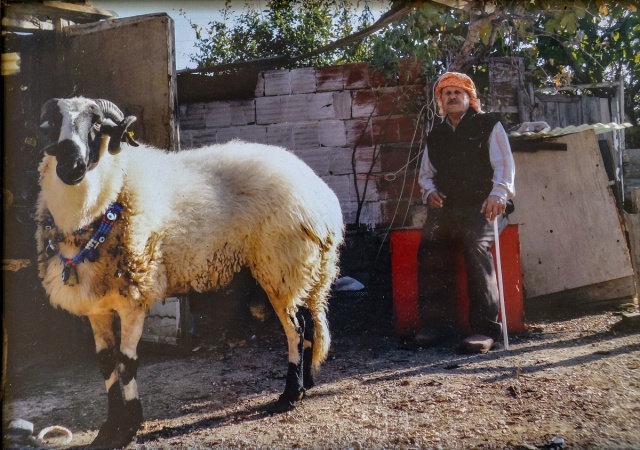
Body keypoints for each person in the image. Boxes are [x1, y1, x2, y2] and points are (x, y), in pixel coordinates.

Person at [416, 71, 515, 353]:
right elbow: (426, 174)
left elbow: (504, 165)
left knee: (475, 244)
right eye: (446, 93)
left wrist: (499, 194)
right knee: (430, 247)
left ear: (470, 98)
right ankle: (436, 325)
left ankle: (485, 329)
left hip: (484, 204)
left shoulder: (488, 124)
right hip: (448, 207)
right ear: (440, 101)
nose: (452, 97)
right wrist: (429, 192)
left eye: (458, 92)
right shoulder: (436, 135)